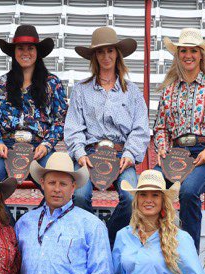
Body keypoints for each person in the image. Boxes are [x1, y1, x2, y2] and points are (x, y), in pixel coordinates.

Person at [64, 27, 149, 245]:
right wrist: (80, 153)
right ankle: (90, 237)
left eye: (110, 51)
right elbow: (73, 126)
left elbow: (140, 128)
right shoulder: (82, 90)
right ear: (94, 57)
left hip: (121, 154)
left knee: (131, 197)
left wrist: (130, 154)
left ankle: (105, 239)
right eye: (101, 52)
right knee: (80, 195)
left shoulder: (132, 91)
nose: (106, 56)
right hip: (90, 153)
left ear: (117, 54)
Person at [154, 28, 205, 251]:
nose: (188, 55)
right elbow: (160, 127)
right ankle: (155, 249)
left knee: (188, 191)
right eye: (183, 51)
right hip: (176, 153)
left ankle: (188, 255)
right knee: (151, 185)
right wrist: (163, 148)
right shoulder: (168, 90)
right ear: (178, 55)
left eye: (193, 51)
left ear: (201, 54)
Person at [0, 25, 67, 181]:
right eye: (20, 48)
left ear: (37, 52)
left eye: (30, 48)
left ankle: (44, 207)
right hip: (6, 146)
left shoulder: (52, 83)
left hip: (39, 147)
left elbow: (61, 120)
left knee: (57, 181)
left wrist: (47, 144)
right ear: (14, 53)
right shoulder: (0, 84)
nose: (25, 53)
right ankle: (0, 207)